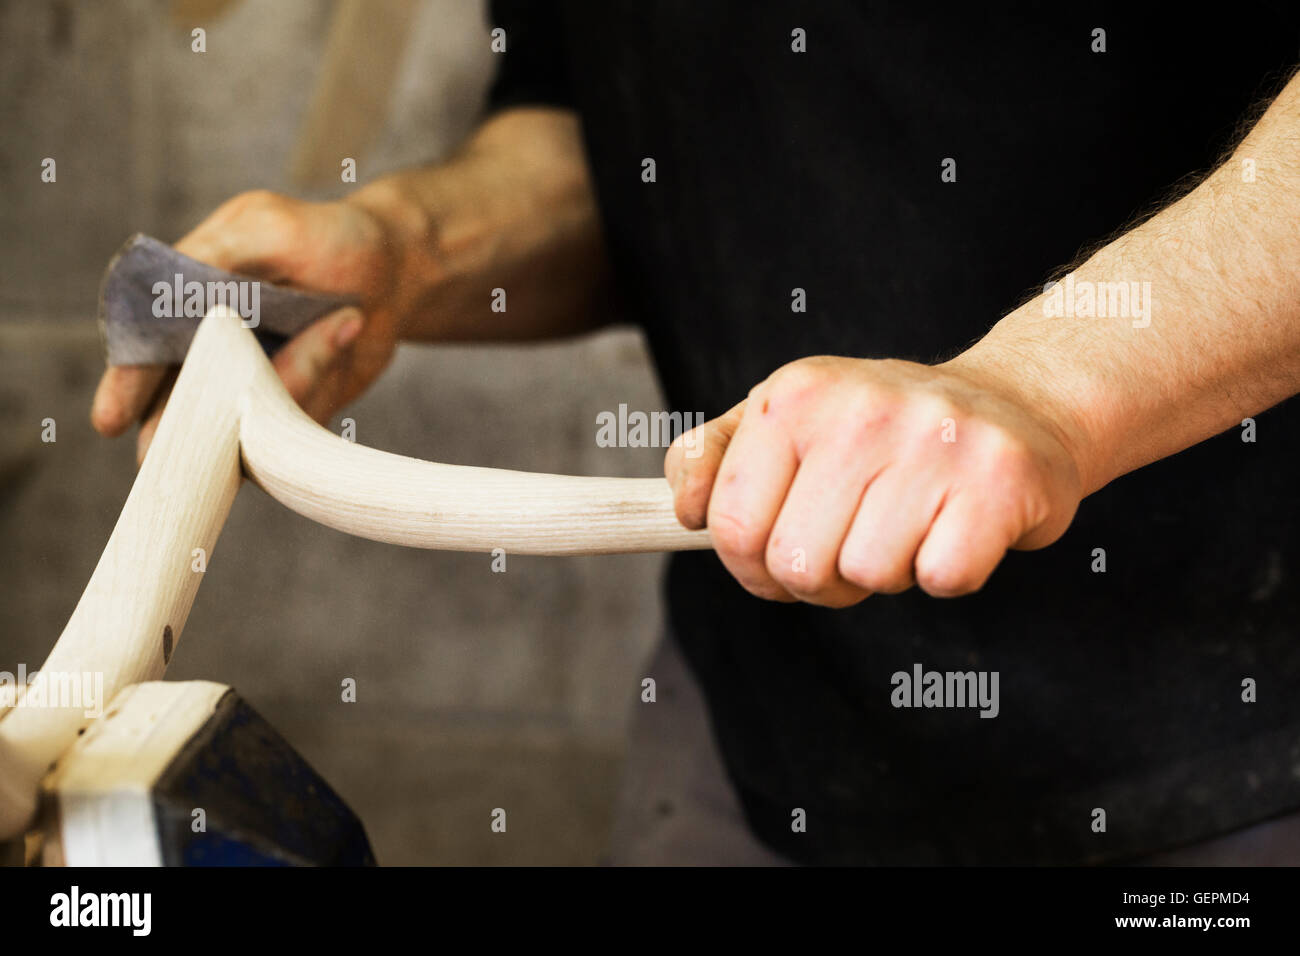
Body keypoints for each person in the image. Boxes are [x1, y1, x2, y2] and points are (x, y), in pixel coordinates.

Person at [91, 4, 1300, 865]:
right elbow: (599, 133)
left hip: (1232, 736)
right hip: (755, 724)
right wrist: (407, 245)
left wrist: (1048, 383)